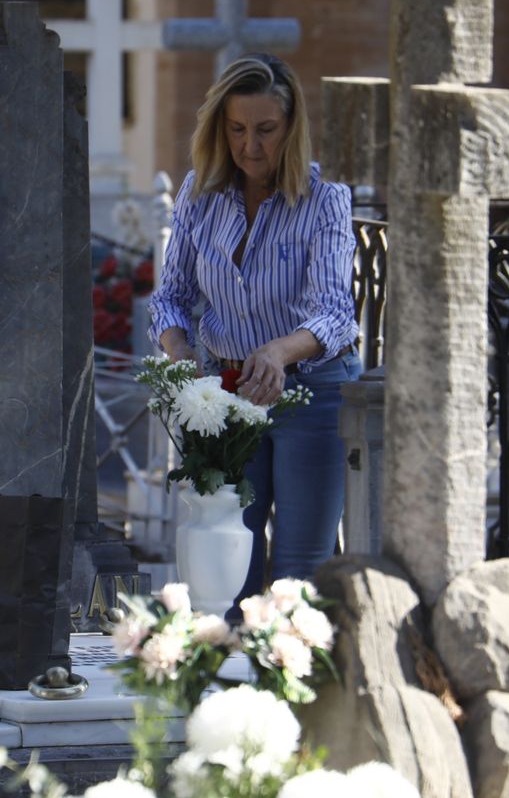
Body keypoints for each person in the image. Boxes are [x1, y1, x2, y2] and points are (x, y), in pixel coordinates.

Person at [147, 52, 360, 600]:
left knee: (298, 567)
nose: (251, 146)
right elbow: (169, 299)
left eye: (266, 130)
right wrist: (181, 356)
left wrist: (279, 352)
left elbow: (336, 312)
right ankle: (223, 681)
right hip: (225, 394)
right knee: (225, 556)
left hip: (312, 393)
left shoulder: (326, 204)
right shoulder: (199, 196)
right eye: (238, 129)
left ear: (292, 127)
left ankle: (290, 679)